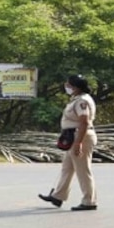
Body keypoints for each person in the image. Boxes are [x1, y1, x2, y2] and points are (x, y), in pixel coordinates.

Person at [40, 74, 98, 211]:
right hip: (72, 136)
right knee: (67, 168)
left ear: (76, 87)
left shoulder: (82, 101)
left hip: (80, 136)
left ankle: (89, 201)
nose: (66, 87)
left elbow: (84, 122)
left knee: (83, 170)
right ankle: (58, 196)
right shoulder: (76, 99)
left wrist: (79, 143)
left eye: (69, 85)